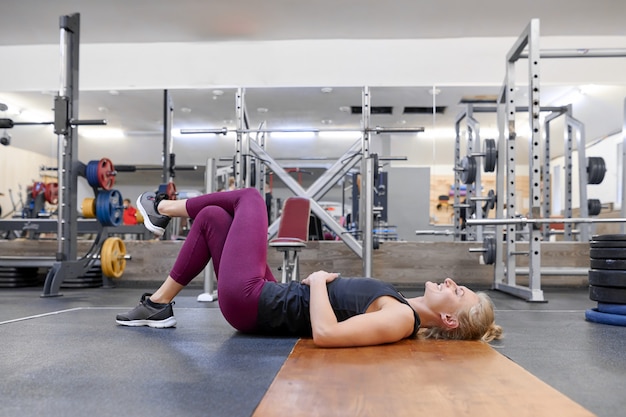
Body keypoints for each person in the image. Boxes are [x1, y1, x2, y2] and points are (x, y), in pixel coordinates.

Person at [117, 188, 502, 347]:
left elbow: (326, 334)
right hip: (266, 296)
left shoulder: (401, 319)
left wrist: (318, 282)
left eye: (458, 292)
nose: (452, 282)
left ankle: (164, 209)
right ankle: (157, 305)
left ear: (449, 321)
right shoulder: (401, 305)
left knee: (250, 197)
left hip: (253, 302)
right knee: (215, 218)